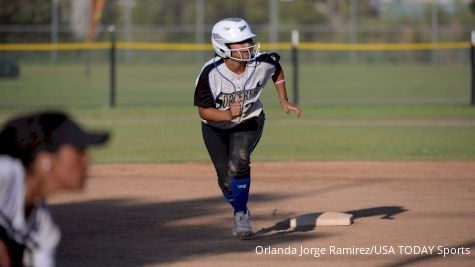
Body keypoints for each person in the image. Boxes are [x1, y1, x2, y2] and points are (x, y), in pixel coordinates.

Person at [194, 18, 301, 237]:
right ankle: (241, 207)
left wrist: (283, 100)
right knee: (225, 179)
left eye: (248, 40)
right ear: (223, 46)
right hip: (215, 126)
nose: (248, 45)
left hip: (249, 119)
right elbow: (203, 111)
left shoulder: (261, 62)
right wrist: (226, 114)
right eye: (240, 42)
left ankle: (240, 216)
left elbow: (276, 69)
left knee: (239, 161)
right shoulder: (210, 74)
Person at [0, 111, 109, 267]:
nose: (87, 160)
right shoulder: (6, 172)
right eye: (79, 151)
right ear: (46, 160)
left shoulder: (44, 231)